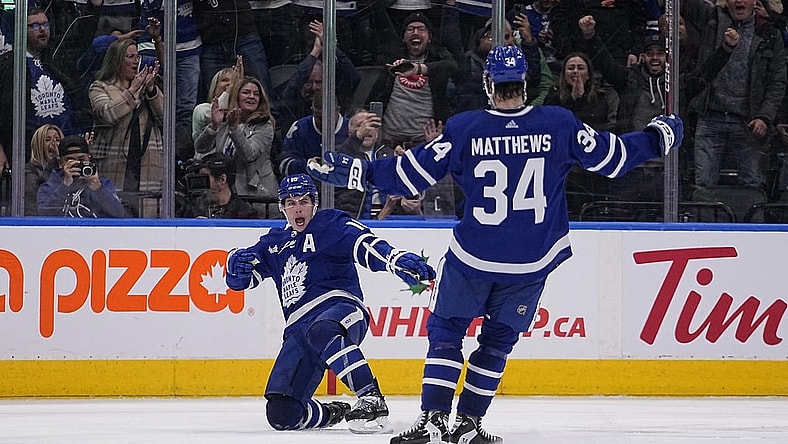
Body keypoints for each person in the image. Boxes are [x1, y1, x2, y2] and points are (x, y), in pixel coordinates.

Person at [308, 45, 683, 444]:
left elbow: (408, 175)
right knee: (498, 342)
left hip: (474, 257)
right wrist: (660, 136)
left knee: (447, 331)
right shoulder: (559, 123)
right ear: (525, 82)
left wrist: (359, 173)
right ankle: (469, 424)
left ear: (489, 83)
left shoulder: (465, 128)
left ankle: (435, 419)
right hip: (529, 263)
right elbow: (613, 158)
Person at [224, 173, 436, 434]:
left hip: (341, 310)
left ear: (314, 203)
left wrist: (394, 259)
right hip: (298, 331)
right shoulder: (273, 244)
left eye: (304, 201)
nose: (298, 208)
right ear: (282, 208)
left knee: (321, 329)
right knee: (282, 414)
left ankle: (371, 398)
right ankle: (334, 412)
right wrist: (234, 265)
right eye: (290, 203)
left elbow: (365, 244)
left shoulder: (330, 224)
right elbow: (240, 278)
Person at [681, 0, 787, 190]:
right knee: (703, 186)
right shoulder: (711, 20)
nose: (739, 1)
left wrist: (765, 116)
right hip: (710, 116)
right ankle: (705, 220)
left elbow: (778, 82)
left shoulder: (770, 34)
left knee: (753, 185)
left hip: (749, 121)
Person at [0, 6, 92, 169]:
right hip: (27, 154)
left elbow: (82, 38)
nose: (42, 30)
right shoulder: (9, 65)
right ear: (21, 29)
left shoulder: (58, 60)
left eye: (45, 24)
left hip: (66, 151)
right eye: (35, 26)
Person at [89, 38, 163, 217]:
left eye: (137, 56)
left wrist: (151, 90)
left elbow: (166, 119)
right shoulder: (100, 87)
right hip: (114, 164)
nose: (136, 61)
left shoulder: (147, 88)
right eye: (130, 56)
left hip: (147, 164)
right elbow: (108, 114)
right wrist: (133, 91)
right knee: (113, 215)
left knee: (148, 220)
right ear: (116, 60)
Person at [193, 75, 279, 202]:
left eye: (256, 94)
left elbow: (249, 155)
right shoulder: (226, 120)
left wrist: (234, 129)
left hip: (258, 196)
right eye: (246, 92)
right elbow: (200, 148)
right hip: (229, 194)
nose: (251, 97)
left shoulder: (265, 126)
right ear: (236, 96)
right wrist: (214, 125)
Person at [37, 134, 125, 218]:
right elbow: (43, 216)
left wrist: (99, 189)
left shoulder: (103, 184)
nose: (77, 163)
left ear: (89, 158)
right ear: (61, 163)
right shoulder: (49, 187)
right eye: (70, 160)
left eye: (82, 159)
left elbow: (119, 214)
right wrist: (64, 186)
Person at [278, 90, 350, 178]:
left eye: (329, 118)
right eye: (319, 118)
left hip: (342, 189)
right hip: (306, 187)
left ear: (338, 110)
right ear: (312, 110)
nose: (324, 123)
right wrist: (308, 165)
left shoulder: (351, 130)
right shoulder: (299, 128)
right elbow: (284, 164)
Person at [179, 152, 259, 219]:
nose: (201, 182)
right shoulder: (193, 208)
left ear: (222, 180)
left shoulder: (245, 214)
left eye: (204, 177)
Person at [192, 57, 244, 141]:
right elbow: (217, 113)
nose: (230, 83)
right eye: (224, 80)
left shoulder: (244, 111)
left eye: (234, 81)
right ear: (214, 86)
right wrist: (230, 88)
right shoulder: (202, 109)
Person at [24, 124, 64, 216]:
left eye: (57, 140)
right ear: (38, 144)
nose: (54, 144)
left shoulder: (65, 170)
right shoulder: (28, 170)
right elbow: (35, 199)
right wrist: (55, 162)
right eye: (47, 140)